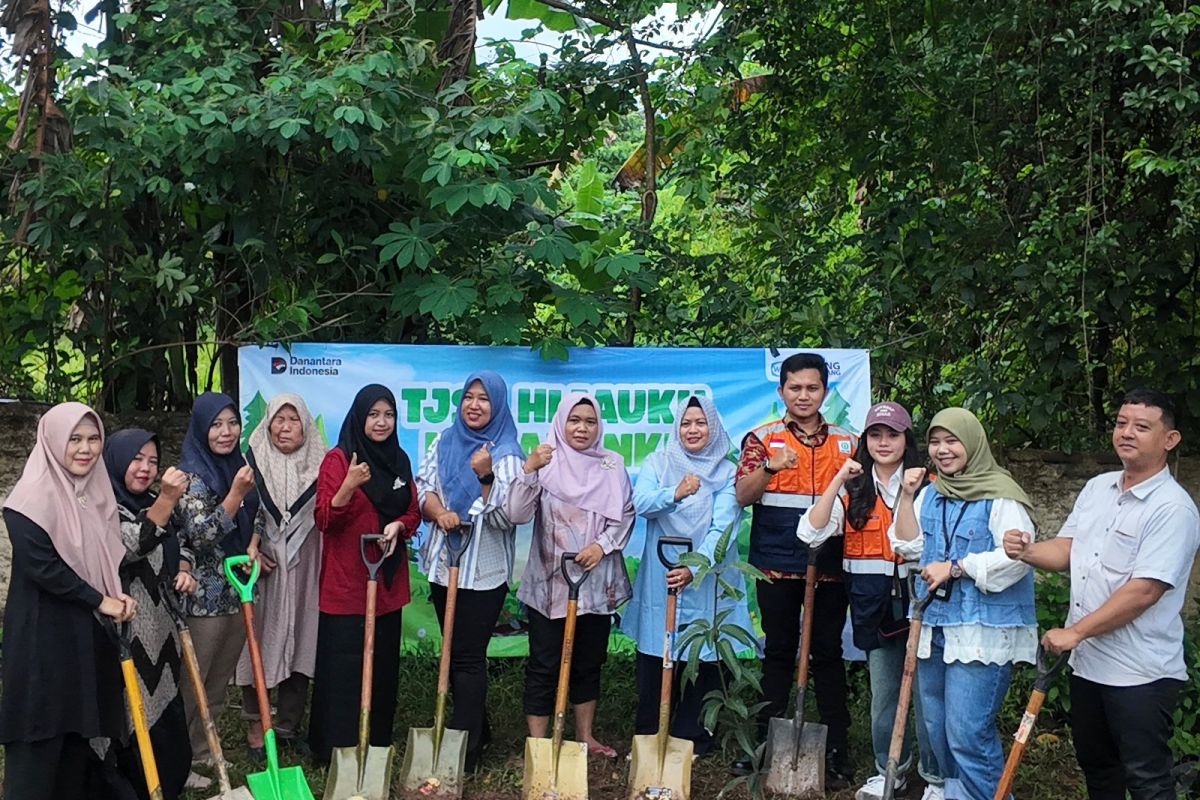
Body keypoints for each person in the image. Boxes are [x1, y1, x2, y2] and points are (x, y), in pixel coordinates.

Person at [1004, 388, 1200, 800]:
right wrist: (1028, 550)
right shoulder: (1098, 488)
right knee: (1099, 770)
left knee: (1147, 780)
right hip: (1090, 668)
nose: (1126, 432)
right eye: (1121, 422)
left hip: (1141, 674)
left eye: (1142, 427)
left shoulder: (1172, 509)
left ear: (1170, 439)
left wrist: (1074, 633)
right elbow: (1069, 549)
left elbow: (1144, 591)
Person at [798, 402, 943, 800]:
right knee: (883, 697)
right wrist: (837, 479)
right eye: (875, 435)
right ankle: (890, 769)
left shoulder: (930, 484)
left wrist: (912, 494)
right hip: (871, 604)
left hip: (922, 602)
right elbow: (810, 534)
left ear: (906, 440)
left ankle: (935, 779)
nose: (883, 442)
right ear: (864, 441)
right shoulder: (853, 486)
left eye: (892, 435)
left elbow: (915, 548)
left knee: (928, 697)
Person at [890, 407, 1036, 800]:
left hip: (979, 630)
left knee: (967, 732)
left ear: (972, 443)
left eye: (952, 440)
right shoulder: (931, 496)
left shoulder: (1002, 496)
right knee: (937, 731)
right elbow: (907, 546)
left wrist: (957, 567)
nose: (942, 450)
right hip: (934, 624)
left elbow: (1017, 561)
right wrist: (906, 496)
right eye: (935, 442)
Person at [1, 402, 138, 800]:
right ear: (53, 441)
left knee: (78, 735)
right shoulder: (27, 501)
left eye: (94, 439)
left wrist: (112, 595)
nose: (85, 449)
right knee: (40, 732)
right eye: (75, 439)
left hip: (85, 634)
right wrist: (102, 601)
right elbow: (43, 567)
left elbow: (106, 556)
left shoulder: (96, 495)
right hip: (42, 637)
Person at [733, 352, 857, 783]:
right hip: (776, 564)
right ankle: (762, 744)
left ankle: (837, 750)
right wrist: (770, 468)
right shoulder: (762, 439)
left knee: (828, 654)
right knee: (779, 653)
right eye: (795, 387)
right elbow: (743, 496)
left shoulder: (848, 442)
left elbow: (863, 502)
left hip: (831, 566)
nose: (803, 395)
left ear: (825, 390)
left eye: (812, 387)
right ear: (781, 390)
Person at [505, 393, 635, 759]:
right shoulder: (546, 461)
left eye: (590, 421)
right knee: (545, 663)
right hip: (550, 583)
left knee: (588, 662)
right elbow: (516, 514)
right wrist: (529, 470)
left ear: (599, 427)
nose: (582, 427)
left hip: (595, 584)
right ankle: (539, 746)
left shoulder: (612, 464)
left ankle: (584, 737)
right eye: (574, 420)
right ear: (561, 423)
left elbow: (625, 514)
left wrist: (602, 546)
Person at [620, 394, 751, 757]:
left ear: (713, 427)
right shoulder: (658, 462)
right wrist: (675, 493)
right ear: (677, 428)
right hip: (661, 575)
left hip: (707, 575)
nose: (693, 430)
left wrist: (695, 567)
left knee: (702, 652)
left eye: (701, 423)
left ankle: (690, 737)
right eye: (686, 423)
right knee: (654, 653)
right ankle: (649, 735)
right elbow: (641, 503)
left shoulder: (726, 471)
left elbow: (723, 527)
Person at [416, 371, 525, 772]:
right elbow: (422, 487)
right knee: (454, 651)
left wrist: (485, 476)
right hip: (445, 567)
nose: (474, 405)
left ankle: (466, 750)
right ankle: (476, 727)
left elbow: (506, 519)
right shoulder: (444, 441)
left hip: (484, 571)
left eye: (484, 399)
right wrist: (440, 512)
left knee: (466, 656)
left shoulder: (509, 454)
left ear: (497, 406)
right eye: (469, 397)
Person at [308, 384, 421, 764]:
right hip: (346, 586)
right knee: (343, 672)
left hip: (385, 584)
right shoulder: (338, 460)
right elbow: (324, 519)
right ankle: (335, 750)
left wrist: (399, 527)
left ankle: (375, 747)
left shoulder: (399, 460)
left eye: (388, 415)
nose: (381, 422)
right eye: (373, 414)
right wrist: (347, 488)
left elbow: (414, 511)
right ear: (360, 416)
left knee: (382, 669)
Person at [102, 428, 197, 800]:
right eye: (136, 459)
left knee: (166, 707)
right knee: (135, 713)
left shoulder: (158, 500)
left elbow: (181, 540)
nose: (145, 469)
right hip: (128, 636)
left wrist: (186, 568)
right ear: (116, 460)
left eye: (153, 461)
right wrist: (168, 501)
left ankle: (169, 781)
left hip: (164, 631)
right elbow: (129, 548)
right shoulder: (103, 507)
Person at [175, 392, 258, 790]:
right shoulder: (191, 476)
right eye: (216, 425)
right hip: (203, 596)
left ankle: (206, 747)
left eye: (232, 423)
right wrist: (234, 496)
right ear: (200, 429)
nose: (226, 433)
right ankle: (182, 755)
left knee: (220, 677)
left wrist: (255, 542)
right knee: (194, 679)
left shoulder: (238, 465)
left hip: (237, 589)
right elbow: (199, 535)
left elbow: (255, 516)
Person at [237, 394, 326, 757]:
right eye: (279, 419)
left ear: (306, 426)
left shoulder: (323, 465)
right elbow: (239, 514)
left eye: (294, 420)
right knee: (255, 638)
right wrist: (252, 546)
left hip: (306, 563)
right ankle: (257, 724)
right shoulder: (249, 465)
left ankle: (288, 724)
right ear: (268, 424)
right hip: (260, 568)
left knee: (301, 636)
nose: (285, 427)